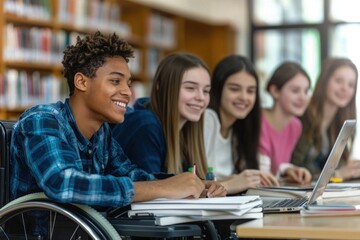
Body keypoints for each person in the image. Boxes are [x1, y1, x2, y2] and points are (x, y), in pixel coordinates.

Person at [10, 31, 225, 236]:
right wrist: (164, 187)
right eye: (115, 81)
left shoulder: (101, 133)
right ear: (81, 82)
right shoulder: (42, 120)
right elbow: (64, 183)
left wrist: (188, 184)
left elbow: (133, 175)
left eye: (128, 83)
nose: (127, 91)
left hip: (85, 234)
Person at [112, 53, 216, 182]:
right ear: (160, 87)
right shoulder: (145, 125)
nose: (201, 97)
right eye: (190, 88)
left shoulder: (185, 130)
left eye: (206, 91)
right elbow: (152, 190)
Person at [204, 54, 279, 195]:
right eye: (234, 89)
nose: (244, 97)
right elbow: (197, 185)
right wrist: (234, 183)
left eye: (251, 91)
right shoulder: (208, 119)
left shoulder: (238, 127)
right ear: (218, 89)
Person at [291, 57, 359, 180]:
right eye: (339, 81)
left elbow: (337, 167)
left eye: (351, 84)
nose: (345, 88)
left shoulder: (339, 123)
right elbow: (295, 168)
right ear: (325, 81)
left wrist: (351, 170)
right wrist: (337, 174)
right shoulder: (304, 115)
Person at [259, 62, 312, 185]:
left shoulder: (295, 126)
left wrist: (289, 170)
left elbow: (276, 168)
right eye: (295, 91)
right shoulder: (258, 121)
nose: (303, 97)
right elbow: (262, 173)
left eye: (306, 91)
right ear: (275, 91)